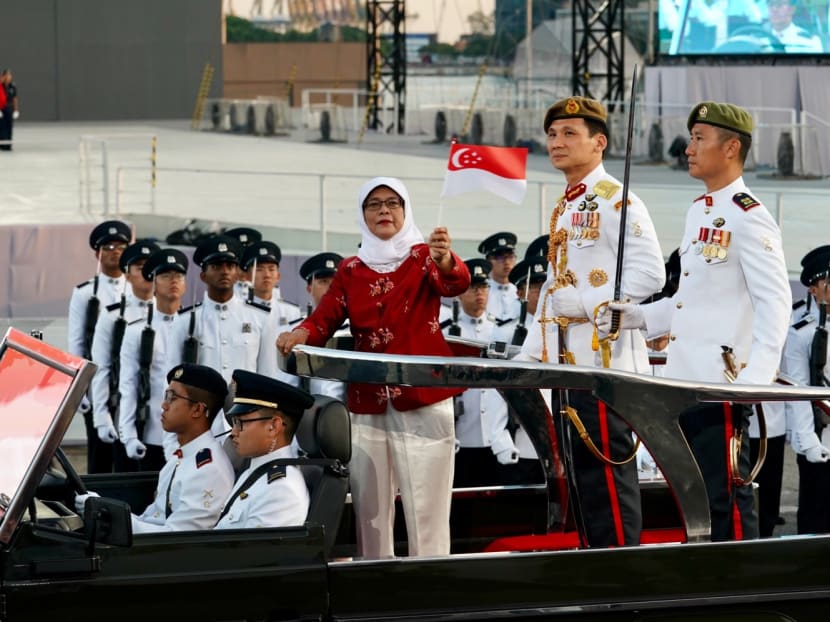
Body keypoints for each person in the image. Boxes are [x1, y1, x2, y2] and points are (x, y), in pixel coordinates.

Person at [604, 101, 792, 541]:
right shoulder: (700, 212)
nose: (688, 148)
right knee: (695, 499)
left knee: (725, 497)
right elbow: (689, 300)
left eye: (698, 139)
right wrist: (637, 316)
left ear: (730, 148)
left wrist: (755, 381)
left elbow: (775, 303)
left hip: (720, 384)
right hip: (684, 380)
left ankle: (738, 590)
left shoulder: (750, 216)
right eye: (690, 138)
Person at [277, 176, 471, 558]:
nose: (384, 210)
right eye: (374, 204)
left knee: (426, 511)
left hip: (423, 399)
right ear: (362, 214)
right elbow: (325, 317)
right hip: (367, 401)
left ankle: (431, 588)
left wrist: (446, 258)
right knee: (370, 509)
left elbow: (454, 283)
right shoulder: (351, 268)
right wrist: (301, 333)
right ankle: (376, 587)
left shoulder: (423, 257)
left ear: (406, 210)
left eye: (393, 203)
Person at [522, 96, 666, 548]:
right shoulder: (567, 204)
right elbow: (555, 285)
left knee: (608, 482)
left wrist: (585, 303)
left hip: (605, 366)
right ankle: (598, 576)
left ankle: (622, 584)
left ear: (599, 142)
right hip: (569, 367)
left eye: (569, 134)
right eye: (552, 134)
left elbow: (650, 272)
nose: (557, 143)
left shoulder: (614, 199)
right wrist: (533, 350)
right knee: (584, 487)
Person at [75, 363, 235, 533]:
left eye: (172, 398)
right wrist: (104, 507)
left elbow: (177, 538)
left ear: (197, 409)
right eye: (166, 396)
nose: (164, 405)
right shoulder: (181, 456)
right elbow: (151, 519)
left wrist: (109, 515)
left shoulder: (208, 470)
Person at [173, 234, 283, 435]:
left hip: (246, 423)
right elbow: (174, 384)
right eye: (216, 266)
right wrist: (171, 441)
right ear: (203, 275)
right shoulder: (186, 320)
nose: (224, 271)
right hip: (200, 423)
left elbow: (268, 377)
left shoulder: (259, 317)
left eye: (230, 266)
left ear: (238, 272)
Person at [445, 258, 520, 487]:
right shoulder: (448, 332)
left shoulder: (501, 331)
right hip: (460, 439)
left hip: (497, 440)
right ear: (459, 292)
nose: (480, 293)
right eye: (473, 287)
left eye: (484, 287)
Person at [67, 219, 132, 474]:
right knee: (100, 454)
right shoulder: (85, 293)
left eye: (121, 246)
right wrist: (81, 390)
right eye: (108, 247)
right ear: (97, 253)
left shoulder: (138, 288)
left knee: (128, 453)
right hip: (98, 384)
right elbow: (77, 342)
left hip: (130, 384)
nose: (115, 251)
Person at [89, 239, 159, 472]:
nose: (147, 273)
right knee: (124, 475)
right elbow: (102, 368)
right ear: (127, 275)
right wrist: (102, 416)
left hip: (161, 413)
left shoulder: (175, 315)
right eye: (140, 267)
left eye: (151, 267)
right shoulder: (112, 317)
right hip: (122, 407)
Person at [214, 369, 314, 529]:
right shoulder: (254, 471)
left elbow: (253, 552)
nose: (233, 432)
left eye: (241, 423)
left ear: (273, 426)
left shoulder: (280, 489)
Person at [119, 248, 190, 469]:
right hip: (151, 432)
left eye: (178, 276)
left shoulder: (193, 326)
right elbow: (129, 385)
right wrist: (129, 435)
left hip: (188, 434)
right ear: (153, 283)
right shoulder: (137, 331)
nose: (173, 282)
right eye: (166, 276)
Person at [781, 245, 830, 534]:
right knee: (816, 518)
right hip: (820, 439)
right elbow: (798, 392)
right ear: (814, 289)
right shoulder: (803, 332)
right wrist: (809, 442)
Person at [298, 251, 346, 400]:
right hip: (310, 412)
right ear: (309, 288)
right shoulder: (297, 330)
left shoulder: (355, 329)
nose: (329, 288)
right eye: (323, 281)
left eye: (334, 283)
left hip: (351, 415)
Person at [478, 231, 521, 341]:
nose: (506, 262)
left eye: (510, 257)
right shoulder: (481, 291)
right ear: (488, 261)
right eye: (500, 258)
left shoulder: (522, 291)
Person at [0, 69, 19, 151]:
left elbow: (15, 99)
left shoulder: (12, 86)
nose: (8, 77)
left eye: (10, 75)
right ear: (3, 76)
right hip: (2, 108)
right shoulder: (0, 85)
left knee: (9, 126)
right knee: (2, 126)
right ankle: (2, 144)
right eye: (7, 75)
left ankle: (8, 144)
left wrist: (16, 110)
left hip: (9, 107)